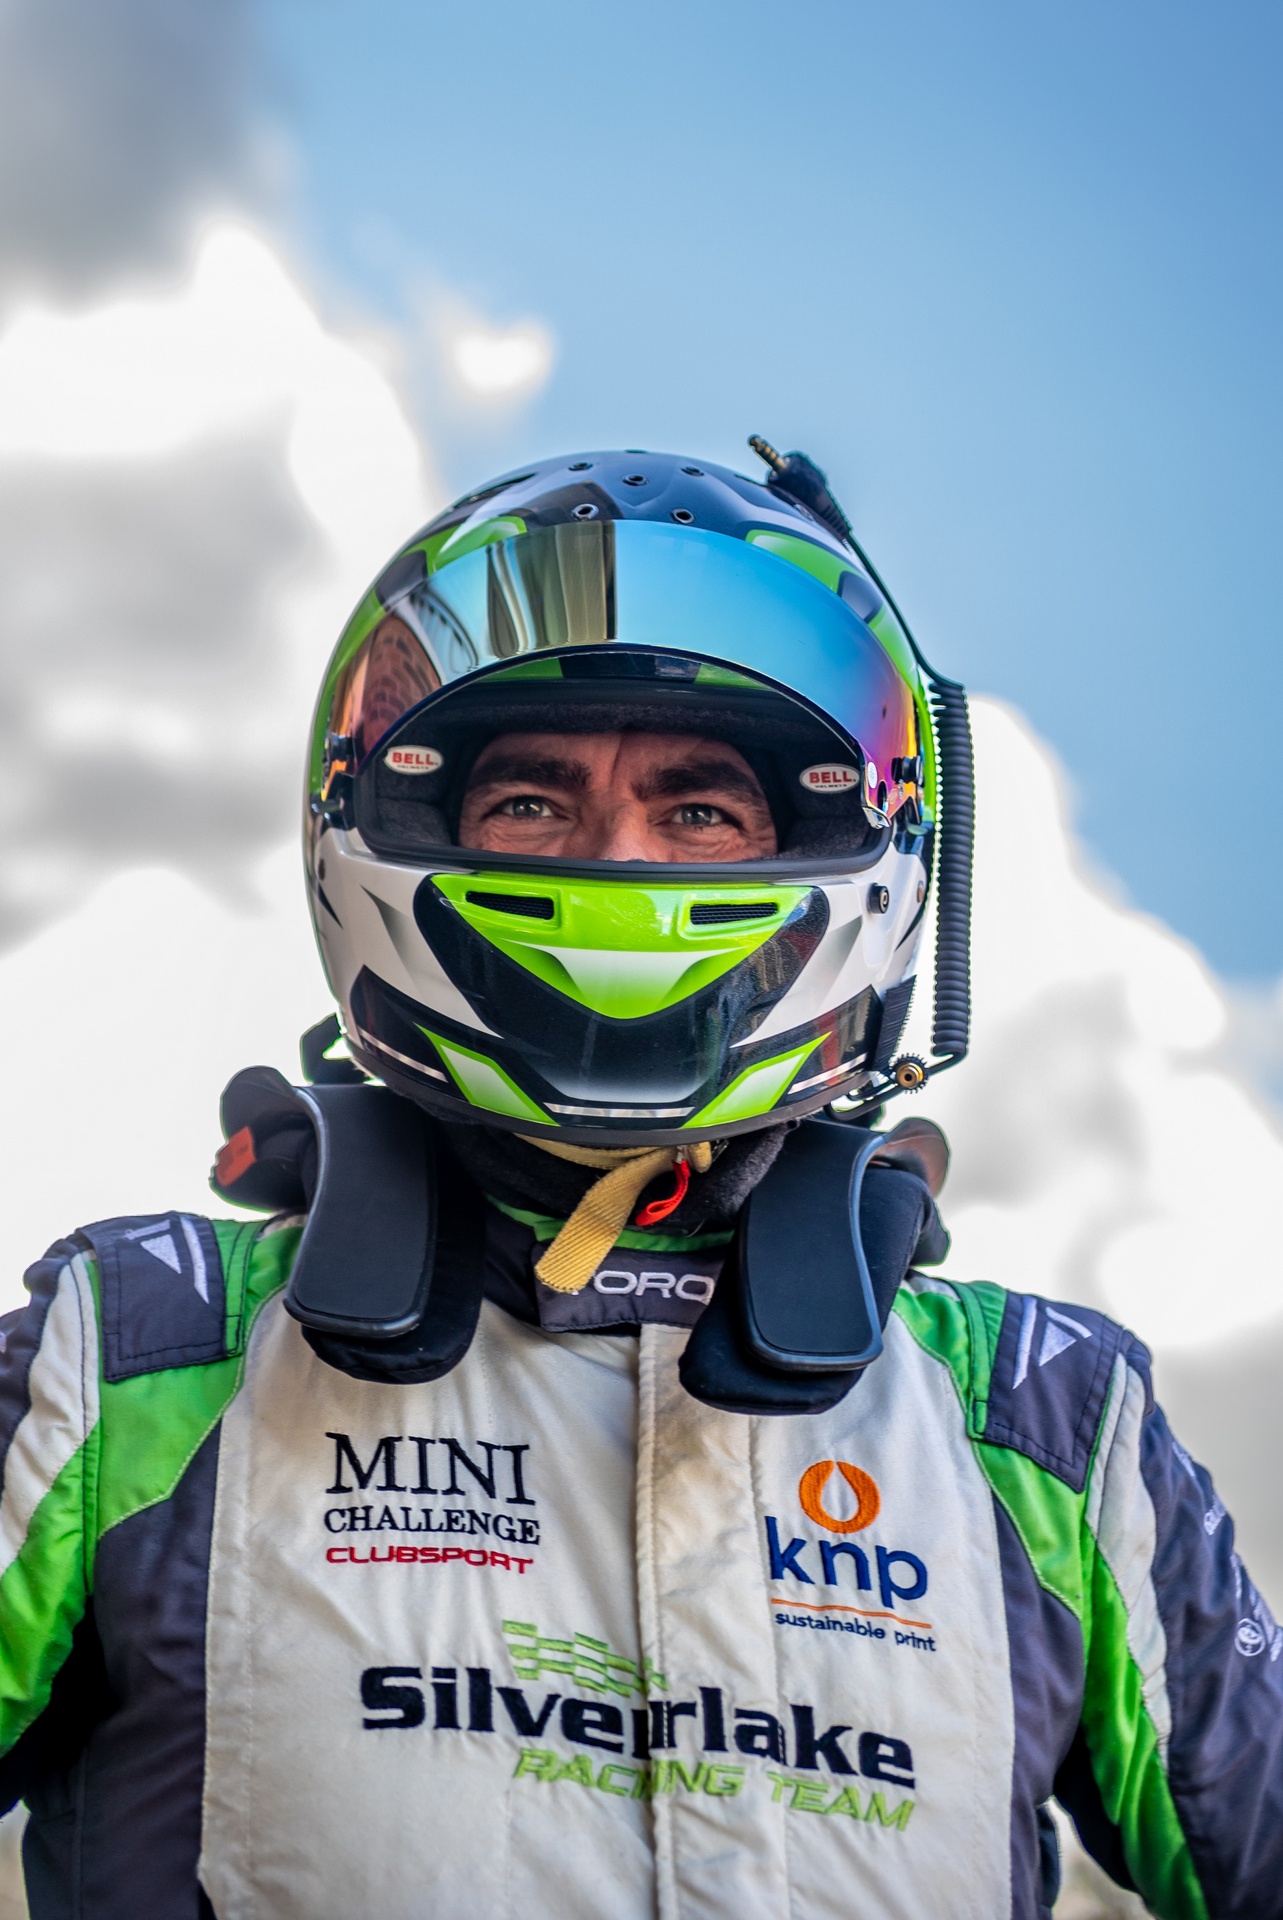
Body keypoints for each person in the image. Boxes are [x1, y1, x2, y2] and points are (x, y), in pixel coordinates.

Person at [0, 444, 1278, 1920]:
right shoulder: (136, 1360)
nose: (619, 863)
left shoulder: (1045, 1433)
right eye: (531, 803)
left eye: (701, 811)